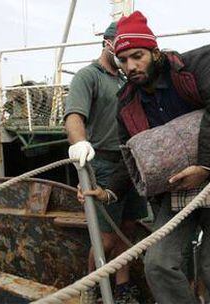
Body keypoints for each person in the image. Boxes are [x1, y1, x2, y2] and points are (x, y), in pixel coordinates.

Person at [82, 11, 210, 304]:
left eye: (138, 56)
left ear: (155, 52)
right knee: (157, 264)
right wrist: (110, 191)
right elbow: (130, 153)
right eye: (123, 60)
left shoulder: (193, 69)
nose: (130, 66)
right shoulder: (127, 103)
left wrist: (205, 166)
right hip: (175, 190)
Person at [64, 22, 147, 304]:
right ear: (108, 43)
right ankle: (92, 286)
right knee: (106, 238)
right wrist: (79, 142)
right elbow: (74, 115)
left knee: (128, 230)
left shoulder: (127, 80)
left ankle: (122, 288)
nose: (127, 60)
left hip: (131, 164)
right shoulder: (88, 76)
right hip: (102, 163)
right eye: (121, 51)